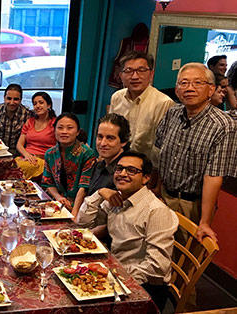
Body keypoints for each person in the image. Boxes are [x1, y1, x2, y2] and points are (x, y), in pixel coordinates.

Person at [76, 151, 178, 312]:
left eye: (132, 170)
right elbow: (83, 225)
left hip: (145, 288)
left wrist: (112, 274)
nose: (123, 174)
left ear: (146, 178)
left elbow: (158, 268)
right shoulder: (118, 198)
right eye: (119, 169)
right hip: (117, 270)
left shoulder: (156, 211)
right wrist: (99, 193)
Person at [156, 62, 237, 243]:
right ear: (176, 91)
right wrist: (156, 189)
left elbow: (214, 176)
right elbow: (160, 154)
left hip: (192, 204)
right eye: (183, 83)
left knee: (182, 260)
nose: (189, 88)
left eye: (198, 83)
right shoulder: (172, 113)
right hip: (163, 197)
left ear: (211, 90)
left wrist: (205, 221)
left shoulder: (223, 125)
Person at [109, 51, 174, 166]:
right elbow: (110, 132)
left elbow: (162, 147)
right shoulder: (117, 98)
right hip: (117, 164)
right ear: (121, 75)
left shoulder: (164, 103)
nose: (135, 76)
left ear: (151, 74)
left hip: (144, 170)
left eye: (141, 70)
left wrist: (154, 172)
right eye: (129, 71)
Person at [75, 113, 130, 237]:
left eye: (110, 138)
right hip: (88, 227)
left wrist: (83, 236)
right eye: (100, 137)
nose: (103, 143)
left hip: (110, 240)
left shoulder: (125, 172)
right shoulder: (100, 165)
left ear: (123, 142)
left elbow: (118, 222)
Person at [41, 113, 96, 217]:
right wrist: (58, 197)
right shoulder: (50, 153)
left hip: (81, 205)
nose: (64, 132)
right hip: (57, 203)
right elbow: (48, 183)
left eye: (70, 128)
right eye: (60, 128)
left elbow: (84, 187)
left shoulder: (87, 153)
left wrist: (75, 213)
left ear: (77, 132)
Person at [14, 91, 56, 179]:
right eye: (35, 103)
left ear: (49, 105)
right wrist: (26, 155)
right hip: (27, 157)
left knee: (19, 170)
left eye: (41, 102)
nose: (37, 106)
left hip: (44, 160)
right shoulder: (30, 122)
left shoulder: (55, 123)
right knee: (10, 166)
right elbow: (19, 144)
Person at [0, 84, 30, 155]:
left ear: (20, 100)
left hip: (16, 152)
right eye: (9, 98)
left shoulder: (27, 114)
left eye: (16, 99)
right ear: (4, 98)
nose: (12, 102)